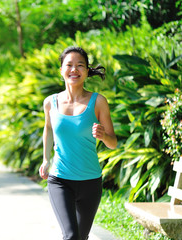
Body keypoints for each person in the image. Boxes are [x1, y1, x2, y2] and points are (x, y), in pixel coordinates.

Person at [39, 46, 117, 240]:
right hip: (60, 179)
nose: (74, 70)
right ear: (61, 70)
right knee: (71, 236)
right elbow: (48, 129)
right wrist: (45, 160)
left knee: (81, 237)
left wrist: (103, 136)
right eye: (69, 65)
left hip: (91, 181)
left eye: (80, 65)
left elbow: (113, 143)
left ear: (87, 71)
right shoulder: (50, 102)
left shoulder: (98, 102)